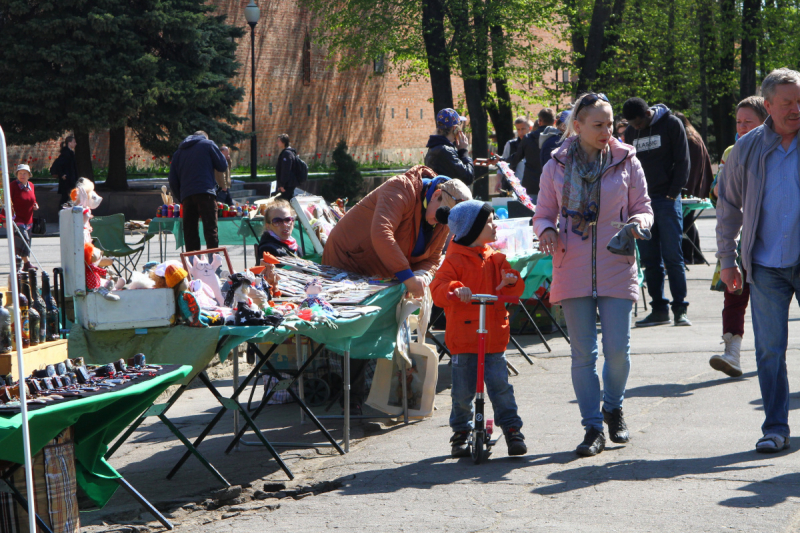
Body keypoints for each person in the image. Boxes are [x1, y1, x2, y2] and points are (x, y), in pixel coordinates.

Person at [534, 93, 653, 457]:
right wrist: (547, 232)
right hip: (571, 265)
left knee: (617, 351)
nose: (607, 131)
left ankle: (613, 406)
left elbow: (643, 208)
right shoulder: (555, 165)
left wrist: (638, 223)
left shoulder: (626, 160)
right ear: (578, 126)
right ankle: (592, 427)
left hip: (616, 261)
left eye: (610, 123)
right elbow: (542, 213)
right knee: (583, 354)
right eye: (598, 125)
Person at [323, 167, 471, 413]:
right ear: (435, 195)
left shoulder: (443, 216)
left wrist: (422, 276)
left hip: (383, 272)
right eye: (440, 216)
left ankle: (372, 395)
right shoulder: (400, 188)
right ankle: (352, 397)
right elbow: (382, 233)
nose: (440, 224)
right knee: (358, 329)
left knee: (376, 329)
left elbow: (434, 257)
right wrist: (407, 276)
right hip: (349, 264)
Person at [717, 68, 800, 453]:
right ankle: (775, 427)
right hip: (765, 265)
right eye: (788, 103)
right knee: (769, 349)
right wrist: (727, 260)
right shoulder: (748, 148)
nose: (796, 109)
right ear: (768, 105)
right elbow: (728, 207)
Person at [431, 200, 527, 458]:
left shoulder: (496, 259)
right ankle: (460, 431)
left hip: (493, 336)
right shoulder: (453, 261)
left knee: (501, 388)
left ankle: (512, 429)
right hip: (464, 338)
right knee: (462, 392)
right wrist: (454, 289)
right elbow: (438, 290)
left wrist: (510, 282)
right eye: (488, 221)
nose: (494, 225)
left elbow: (516, 290)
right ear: (472, 229)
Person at [708, 96, 768, 378]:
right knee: (733, 294)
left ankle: (771, 352)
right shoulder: (731, 152)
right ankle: (732, 353)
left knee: (773, 301)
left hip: (772, 239)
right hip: (737, 238)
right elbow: (717, 193)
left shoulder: (779, 147)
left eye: (749, 122)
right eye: (739, 122)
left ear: (766, 120)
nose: (742, 127)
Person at [623, 97, 691, 327]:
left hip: (667, 200)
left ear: (647, 114)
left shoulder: (671, 124)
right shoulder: (632, 132)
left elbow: (683, 160)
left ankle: (680, 308)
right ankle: (659, 309)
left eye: (638, 123)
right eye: (631, 124)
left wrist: (673, 193)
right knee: (650, 259)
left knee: (674, 256)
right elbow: (628, 166)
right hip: (642, 203)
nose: (635, 128)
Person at [168, 131, 228, 252]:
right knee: (210, 230)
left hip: (187, 196)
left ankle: (193, 264)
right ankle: (213, 264)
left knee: (190, 233)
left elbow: (172, 179)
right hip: (206, 193)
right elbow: (222, 166)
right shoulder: (208, 144)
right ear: (205, 137)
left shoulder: (179, 152)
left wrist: (181, 197)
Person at [674, 112, 713, 264]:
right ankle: (696, 256)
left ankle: (688, 256)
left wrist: (686, 189)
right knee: (688, 221)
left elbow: (691, 169)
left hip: (690, 188)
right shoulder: (693, 136)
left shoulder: (689, 140)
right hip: (695, 186)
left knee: (685, 221)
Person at [505, 108, 556, 202]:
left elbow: (515, 159)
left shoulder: (528, 138)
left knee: (530, 214)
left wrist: (502, 160)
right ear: (554, 122)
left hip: (531, 185)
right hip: (552, 186)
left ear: (539, 121)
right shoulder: (558, 139)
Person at [424, 109, 475, 185]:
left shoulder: (434, 147)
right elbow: (468, 177)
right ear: (455, 128)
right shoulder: (445, 151)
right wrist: (463, 151)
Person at [9, 164, 39, 271]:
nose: (22, 175)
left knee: (26, 242)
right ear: (17, 174)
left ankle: (21, 263)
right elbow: (7, 202)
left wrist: (35, 205)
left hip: (28, 219)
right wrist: (3, 218)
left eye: (24, 173)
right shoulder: (12, 186)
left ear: (29, 175)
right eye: (20, 173)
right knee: (23, 238)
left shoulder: (31, 185)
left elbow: (33, 200)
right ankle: (25, 263)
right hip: (17, 219)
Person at [495, 117, 530, 193]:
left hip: (530, 187)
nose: (520, 132)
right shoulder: (510, 144)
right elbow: (502, 165)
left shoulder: (534, 145)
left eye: (523, 129)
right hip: (512, 188)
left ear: (529, 128)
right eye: (518, 129)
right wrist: (498, 181)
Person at [50, 134, 78, 207]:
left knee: (68, 198)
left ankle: (65, 213)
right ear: (69, 143)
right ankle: (62, 213)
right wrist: (62, 174)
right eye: (74, 142)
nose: (75, 144)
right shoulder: (66, 153)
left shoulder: (70, 153)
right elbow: (59, 165)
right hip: (67, 181)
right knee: (65, 198)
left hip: (70, 179)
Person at [275, 134, 298, 200]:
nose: (277, 143)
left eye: (278, 141)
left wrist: (282, 185)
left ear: (283, 142)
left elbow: (286, 170)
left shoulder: (286, 154)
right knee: (288, 201)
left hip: (288, 184)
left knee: (281, 201)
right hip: (289, 183)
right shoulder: (289, 152)